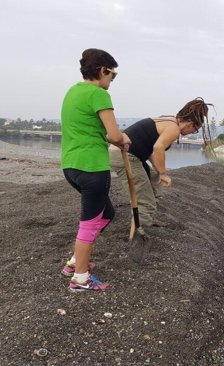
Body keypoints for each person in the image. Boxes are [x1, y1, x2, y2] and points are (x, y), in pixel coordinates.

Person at [60, 48, 131, 291]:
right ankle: (80, 278)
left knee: (107, 214)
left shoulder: (73, 92)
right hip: (92, 167)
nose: (112, 80)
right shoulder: (99, 94)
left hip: (70, 166)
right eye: (113, 75)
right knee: (89, 223)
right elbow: (113, 134)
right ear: (103, 71)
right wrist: (124, 140)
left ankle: (74, 261)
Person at [109, 98, 210, 227]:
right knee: (145, 200)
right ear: (190, 124)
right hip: (124, 155)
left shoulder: (168, 120)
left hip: (129, 155)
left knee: (154, 179)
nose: (191, 133)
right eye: (195, 130)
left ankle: (145, 217)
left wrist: (159, 171)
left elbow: (151, 151)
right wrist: (163, 173)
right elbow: (158, 148)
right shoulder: (174, 128)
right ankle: (140, 231)